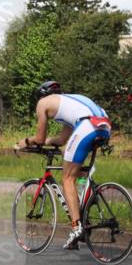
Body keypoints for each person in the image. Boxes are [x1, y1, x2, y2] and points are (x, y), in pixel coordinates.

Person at [18, 81, 111, 250]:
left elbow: (39, 139)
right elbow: (61, 140)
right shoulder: (69, 103)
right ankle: (87, 204)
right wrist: (49, 141)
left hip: (87, 126)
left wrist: (25, 142)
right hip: (104, 125)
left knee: (67, 178)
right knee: (78, 172)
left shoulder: (42, 103)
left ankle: (76, 227)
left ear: (41, 96)